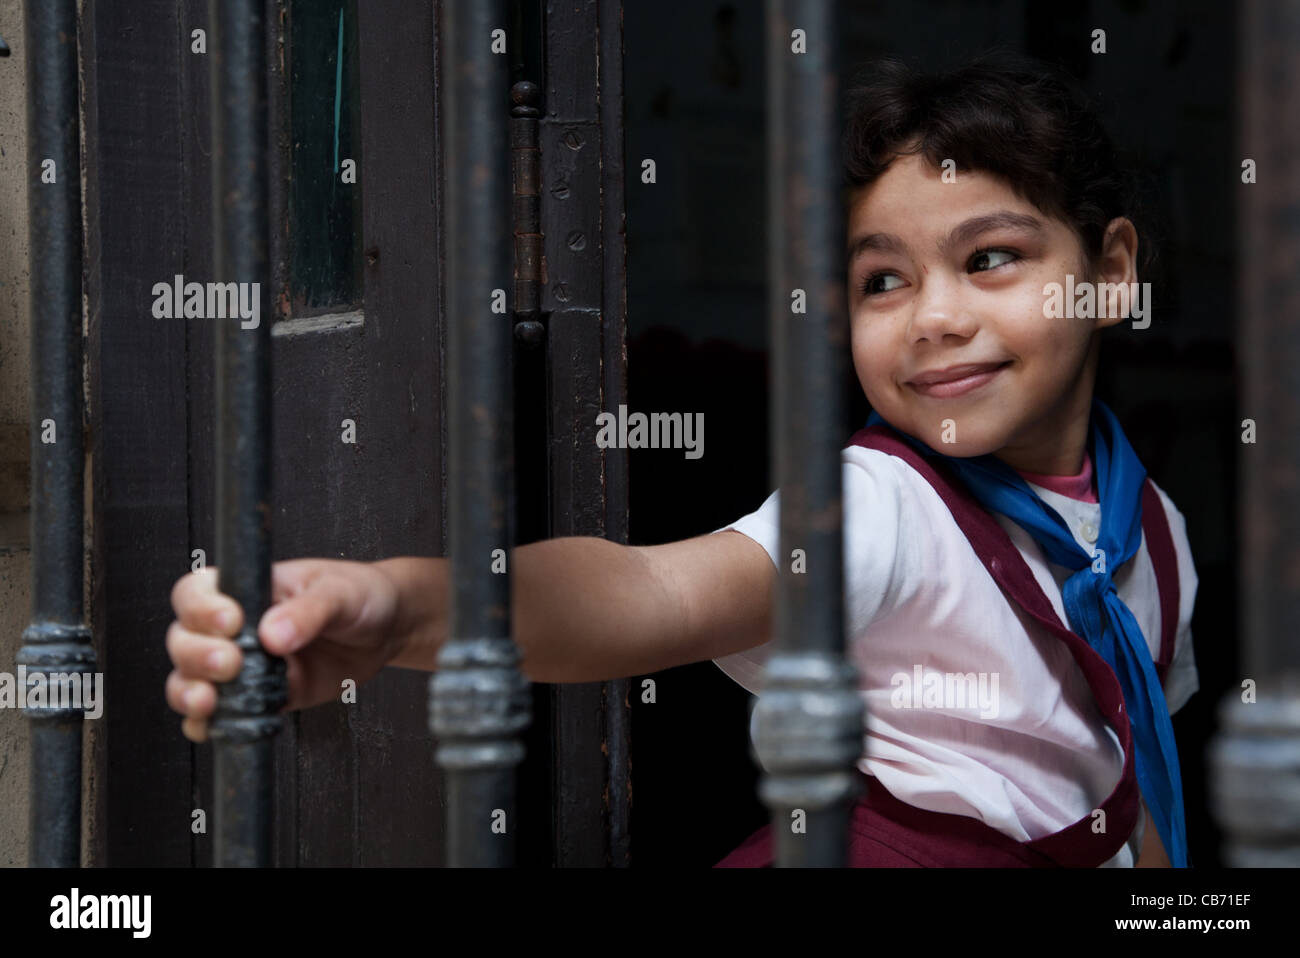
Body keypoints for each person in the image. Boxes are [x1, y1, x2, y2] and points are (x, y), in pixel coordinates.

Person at [165, 51, 1198, 867]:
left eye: (988, 259)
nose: (933, 316)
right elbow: (654, 586)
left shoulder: (1153, 530)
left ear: (1107, 274)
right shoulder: (881, 507)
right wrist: (403, 607)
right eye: (882, 280)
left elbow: (1127, 772)